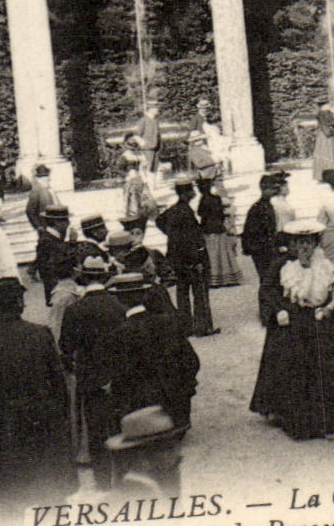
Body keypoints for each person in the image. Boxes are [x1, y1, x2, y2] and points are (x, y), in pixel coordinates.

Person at [0, 282, 76, 524]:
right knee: (51, 497)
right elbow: (58, 385)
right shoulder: (40, 334)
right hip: (44, 425)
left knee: (10, 504)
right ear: (19, 304)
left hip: (5, 429)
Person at [251, 220, 334, 440]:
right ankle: (299, 421)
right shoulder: (283, 266)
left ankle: (331, 421)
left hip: (320, 320)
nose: (304, 248)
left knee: (329, 366)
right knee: (295, 367)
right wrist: (278, 311)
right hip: (293, 322)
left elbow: (333, 292)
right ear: (292, 244)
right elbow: (268, 291)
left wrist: (328, 308)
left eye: (309, 243)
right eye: (299, 243)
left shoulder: (324, 265)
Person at [59, 264, 128, 490]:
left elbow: (65, 348)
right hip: (118, 374)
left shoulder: (75, 310)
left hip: (90, 378)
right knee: (120, 424)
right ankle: (124, 477)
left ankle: (102, 481)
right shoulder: (118, 305)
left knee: (96, 430)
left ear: (83, 279)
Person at [105, 273, 200, 428]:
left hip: (145, 418)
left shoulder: (120, 333)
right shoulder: (169, 322)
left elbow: (119, 378)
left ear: (120, 300)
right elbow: (192, 361)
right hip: (179, 413)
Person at [157, 175, 216, 337]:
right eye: (191, 190)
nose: (194, 193)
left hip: (176, 259)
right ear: (186, 193)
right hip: (190, 260)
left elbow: (159, 220)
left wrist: (169, 235)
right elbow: (191, 240)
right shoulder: (185, 212)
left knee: (182, 293)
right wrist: (196, 260)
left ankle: (186, 327)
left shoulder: (174, 210)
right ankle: (202, 327)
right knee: (200, 292)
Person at [104, 406, 188, 499]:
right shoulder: (143, 491)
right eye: (169, 448)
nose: (178, 454)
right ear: (142, 455)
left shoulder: (164, 477)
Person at [242, 172, 295, 290]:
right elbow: (252, 232)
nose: (275, 192)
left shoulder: (268, 205)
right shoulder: (258, 208)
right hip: (262, 250)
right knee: (267, 281)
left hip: (268, 248)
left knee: (273, 281)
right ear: (263, 188)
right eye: (272, 189)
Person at [195, 176, 240, 289]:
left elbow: (201, 214)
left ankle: (215, 278)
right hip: (219, 228)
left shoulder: (203, 200)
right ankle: (227, 276)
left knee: (212, 254)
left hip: (209, 229)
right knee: (223, 253)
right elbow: (220, 213)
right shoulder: (216, 198)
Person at [34, 204, 74, 310]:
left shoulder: (52, 238)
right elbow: (48, 267)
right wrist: (72, 244)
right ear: (56, 222)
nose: (68, 223)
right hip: (57, 290)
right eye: (65, 221)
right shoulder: (48, 241)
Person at [311, 100, 334, 182]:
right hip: (327, 136)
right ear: (323, 106)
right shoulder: (324, 113)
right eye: (327, 104)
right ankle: (329, 174)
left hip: (325, 135)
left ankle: (324, 175)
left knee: (326, 153)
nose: (329, 105)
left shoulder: (324, 113)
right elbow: (327, 125)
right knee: (328, 153)